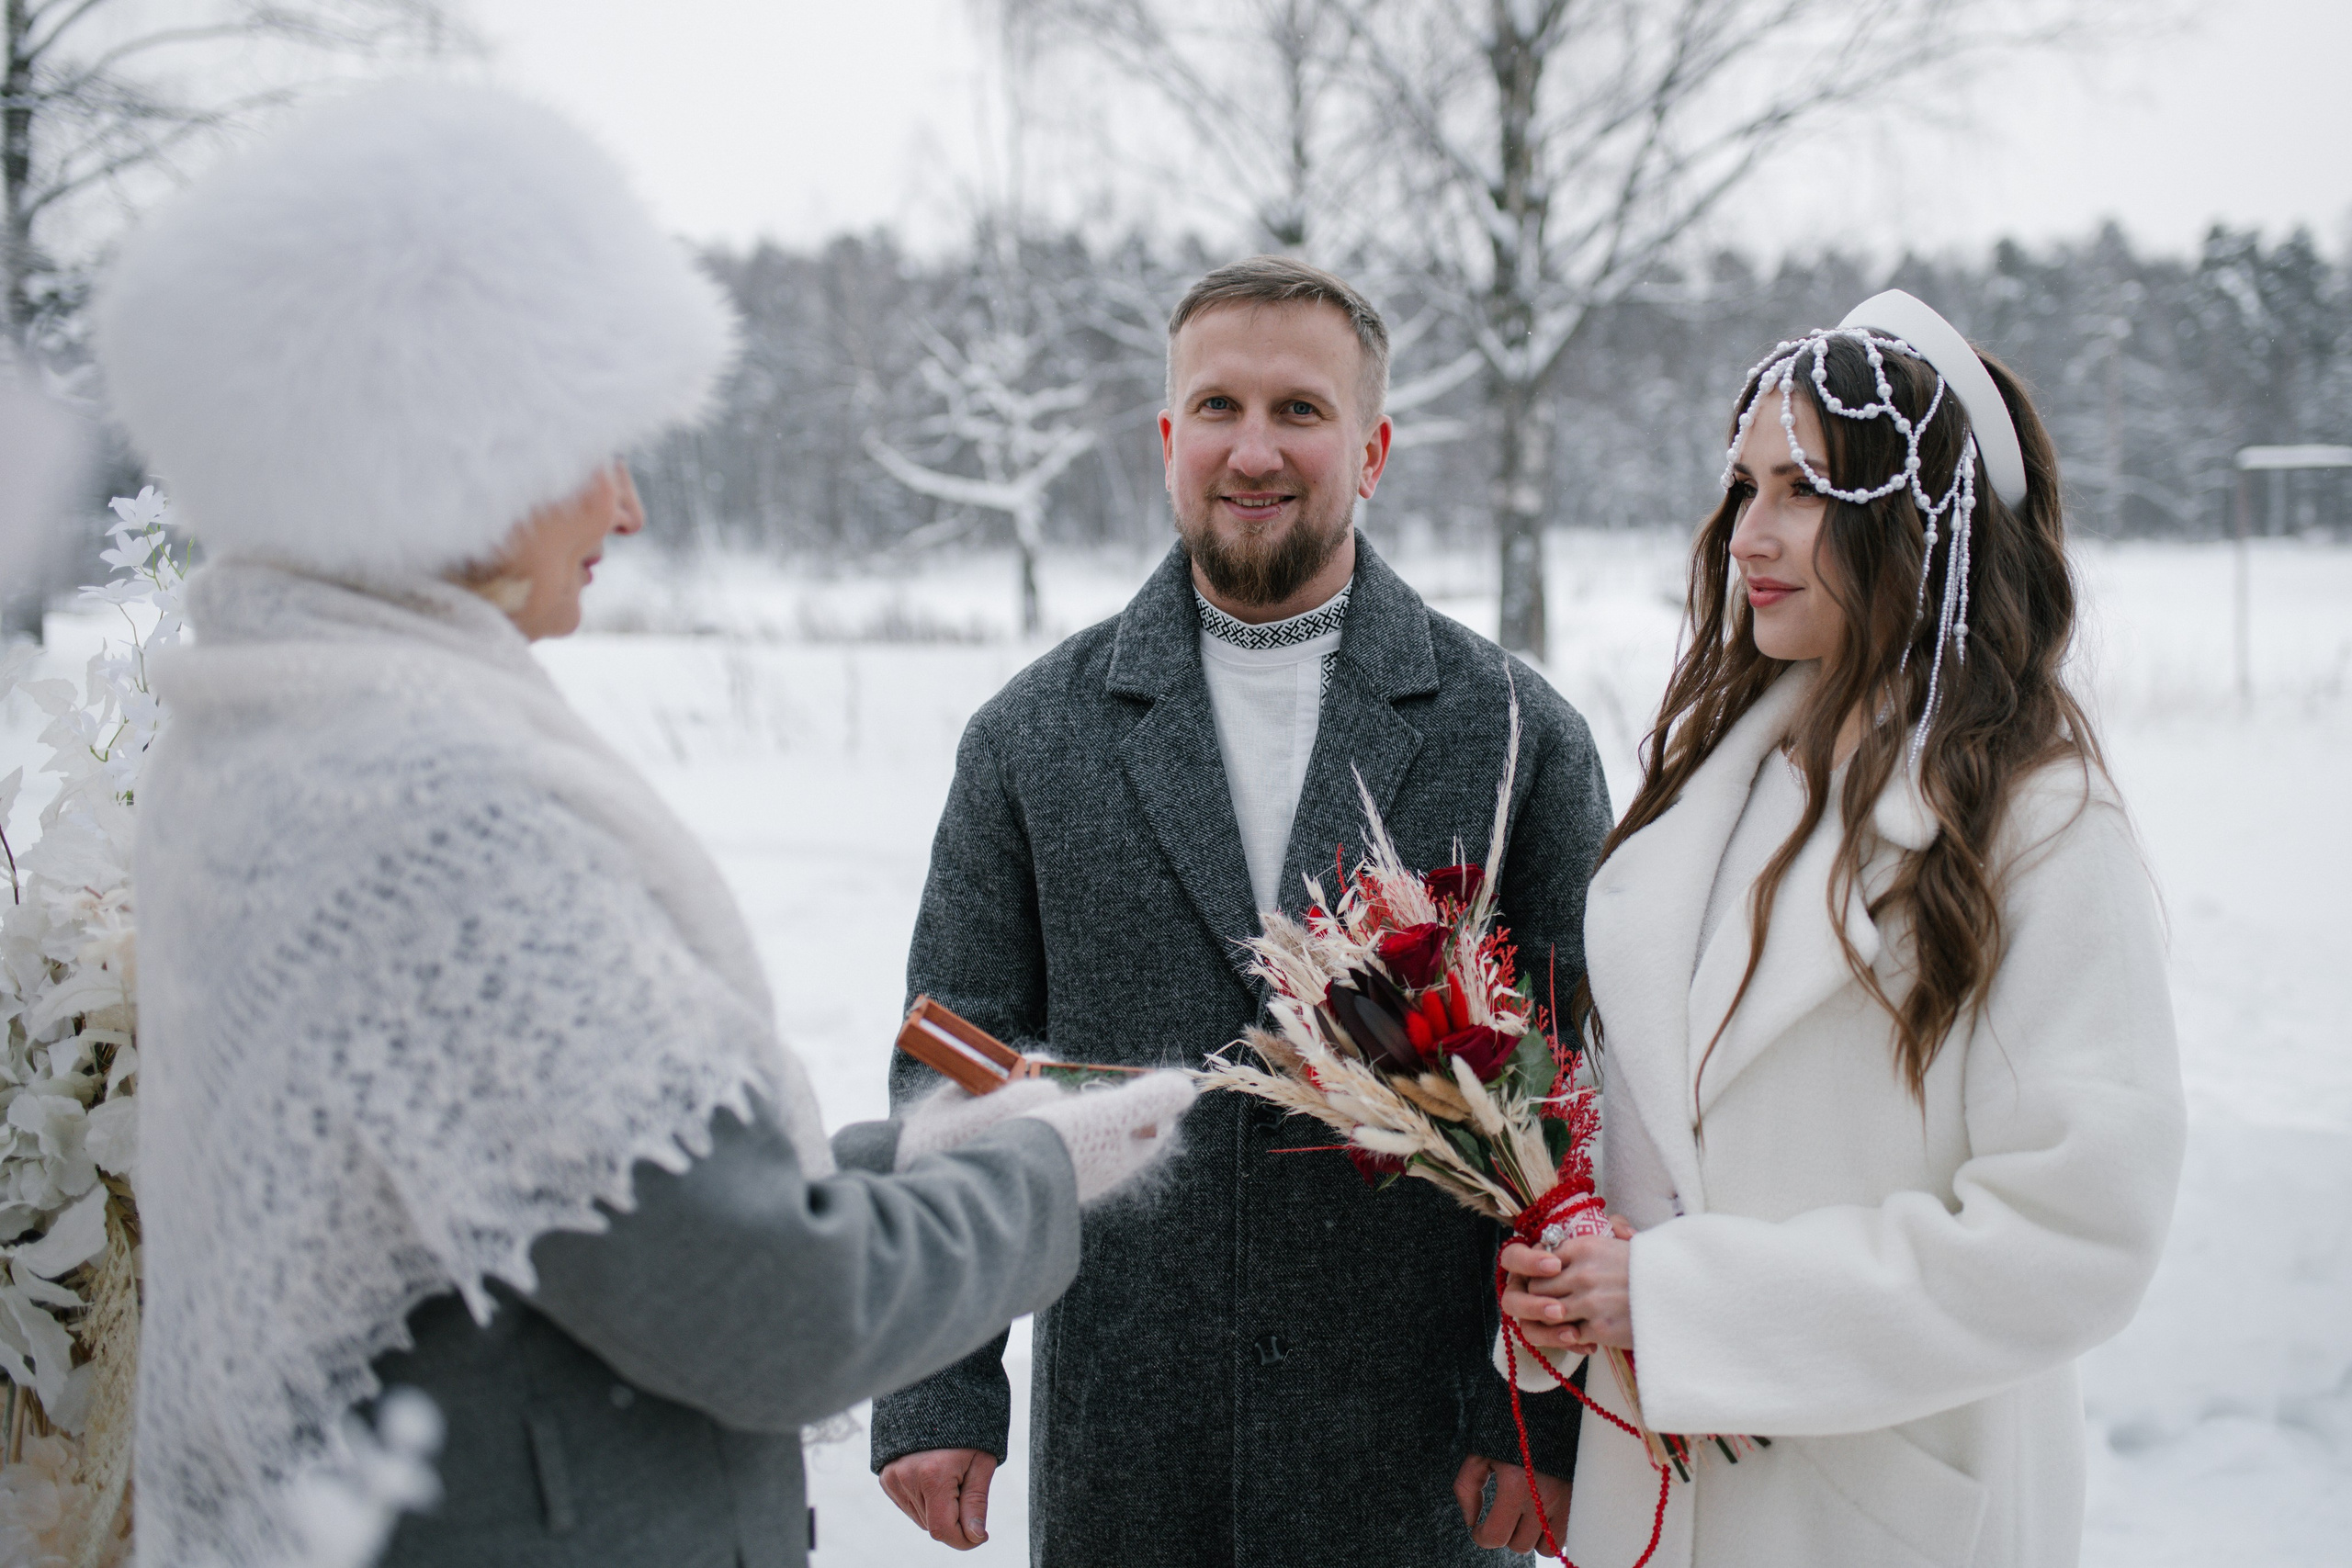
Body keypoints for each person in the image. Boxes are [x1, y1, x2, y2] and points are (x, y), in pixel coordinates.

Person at [99, 81, 1193, 1568]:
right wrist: (1033, 1175)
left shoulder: (263, 722)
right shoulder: (439, 817)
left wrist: (910, 1160)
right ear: (461, 458)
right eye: (595, 447)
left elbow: (580, 1199)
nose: (625, 508)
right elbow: (773, 1310)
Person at [869, 255, 1613, 1564]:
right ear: (1167, 441)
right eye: (1217, 407)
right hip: (1130, 1454)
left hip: (1417, 1468)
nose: (1252, 449)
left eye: (1301, 411)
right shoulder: (1031, 739)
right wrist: (940, 1380)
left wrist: (1545, 1424)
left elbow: (1584, 1108)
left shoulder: (1514, 733)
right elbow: (955, 1059)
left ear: (1372, 447)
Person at [1496, 293, 2186, 1567]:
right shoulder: (1711, 785)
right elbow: (1659, 1137)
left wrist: (1688, 1308)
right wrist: (1569, 1270)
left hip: (1881, 1512)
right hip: (1661, 1506)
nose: (1746, 534)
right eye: (1742, 487)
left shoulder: (2034, 819)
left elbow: (2079, 1233)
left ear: (1918, 523)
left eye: (1800, 493)